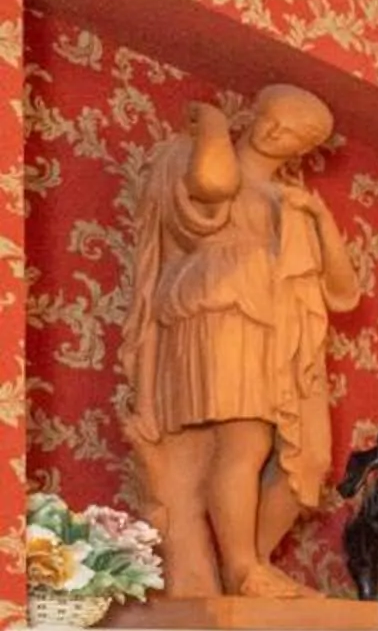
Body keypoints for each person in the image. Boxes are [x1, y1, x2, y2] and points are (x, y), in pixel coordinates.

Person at [121, 87, 361, 599]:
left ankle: (248, 564)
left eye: (292, 132)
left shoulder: (292, 201)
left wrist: (320, 218)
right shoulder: (199, 161)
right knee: (245, 444)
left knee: (308, 462)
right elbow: (211, 183)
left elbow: (344, 292)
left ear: (304, 149)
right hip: (222, 309)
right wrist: (209, 122)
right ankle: (242, 568)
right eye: (272, 118)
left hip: (282, 330)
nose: (275, 132)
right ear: (255, 113)